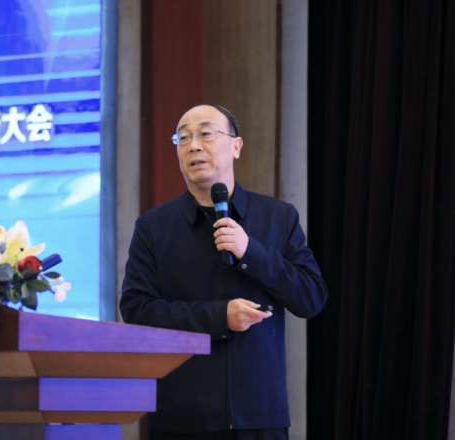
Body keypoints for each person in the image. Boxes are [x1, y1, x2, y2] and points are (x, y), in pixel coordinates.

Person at [120, 103, 328, 440]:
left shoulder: (278, 217)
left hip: (261, 413)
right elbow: (136, 311)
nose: (193, 146)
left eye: (205, 133)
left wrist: (251, 252)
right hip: (183, 417)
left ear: (236, 146)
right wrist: (219, 317)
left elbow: (310, 298)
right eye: (183, 138)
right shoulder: (153, 227)